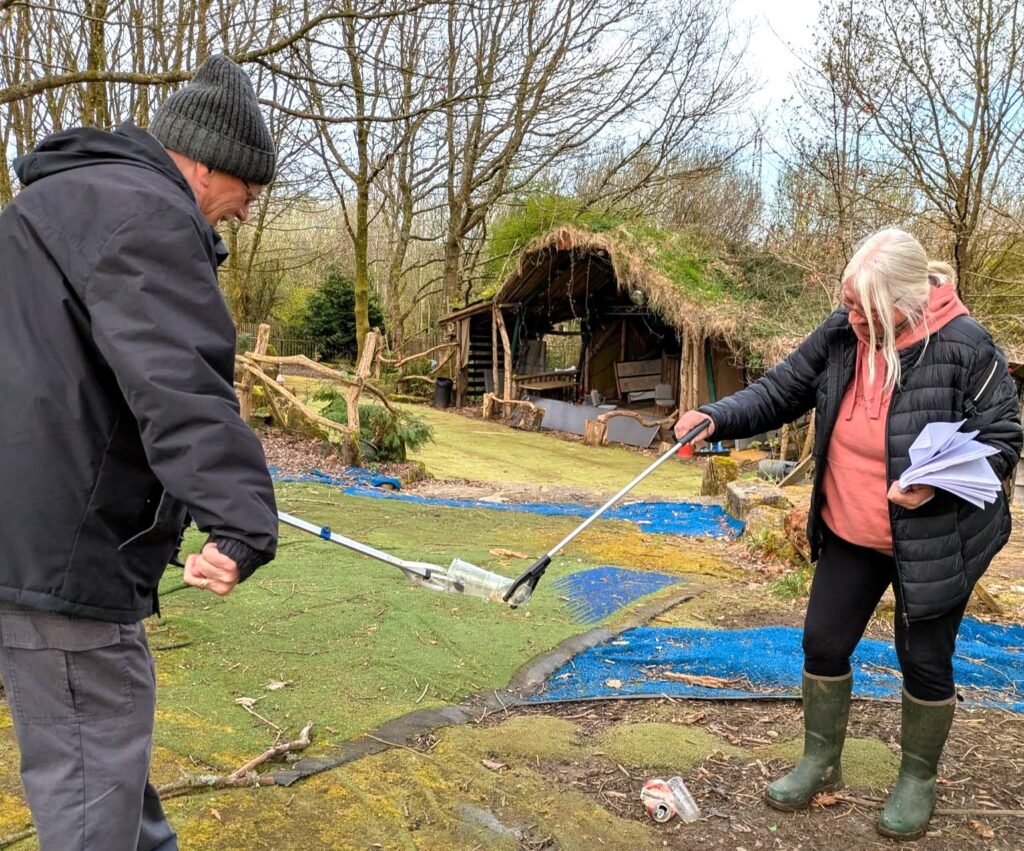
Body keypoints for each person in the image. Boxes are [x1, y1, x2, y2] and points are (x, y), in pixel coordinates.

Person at [0, 56, 279, 850]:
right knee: (93, 772)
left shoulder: (47, 209)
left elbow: (93, 380)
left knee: (100, 752)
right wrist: (240, 521)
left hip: (25, 535)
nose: (248, 212)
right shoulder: (147, 217)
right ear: (203, 161)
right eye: (247, 192)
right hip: (62, 554)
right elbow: (177, 382)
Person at [675, 228, 1021, 840]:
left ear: (907, 303)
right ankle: (820, 762)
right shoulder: (842, 334)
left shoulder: (967, 347)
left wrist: (938, 485)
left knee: (926, 658)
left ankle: (917, 778)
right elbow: (780, 390)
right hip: (852, 528)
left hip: (936, 537)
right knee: (823, 644)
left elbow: (1003, 439)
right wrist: (716, 416)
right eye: (848, 302)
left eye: (867, 307)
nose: (852, 316)